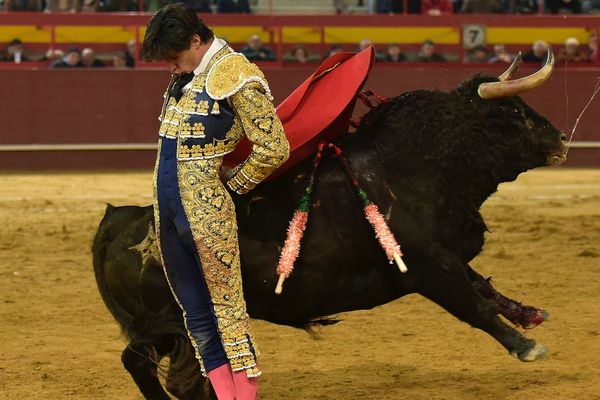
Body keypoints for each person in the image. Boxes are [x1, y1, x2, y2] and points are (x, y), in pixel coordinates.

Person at [141, 3, 289, 399]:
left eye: (174, 58)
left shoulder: (237, 73)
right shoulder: (185, 79)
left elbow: (274, 147)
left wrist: (233, 186)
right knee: (196, 314)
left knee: (228, 313)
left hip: (208, 216)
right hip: (168, 212)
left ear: (195, 39)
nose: (171, 68)